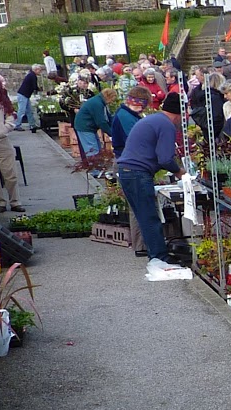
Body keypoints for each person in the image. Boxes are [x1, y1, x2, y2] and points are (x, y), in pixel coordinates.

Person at [115, 91, 187, 278]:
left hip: (128, 171)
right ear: (178, 114)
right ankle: (159, 256)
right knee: (149, 217)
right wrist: (180, 172)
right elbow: (164, 158)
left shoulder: (154, 119)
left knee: (144, 216)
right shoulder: (167, 125)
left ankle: (156, 254)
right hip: (137, 173)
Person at [74, 87, 117, 167]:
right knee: (92, 149)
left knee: (97, 149)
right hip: (85, 127)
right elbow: (101, 121)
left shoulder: (101, 102)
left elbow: (108, 117)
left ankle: (98, 168)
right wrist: (111, 133)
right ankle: (95, 170)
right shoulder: (97, 103)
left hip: (89, 127)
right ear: (108, 97)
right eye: (112, 99)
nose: (111, 102)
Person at [111, 87, 148, 158]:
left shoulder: (130, 114)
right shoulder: (125, 116)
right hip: (126, 158)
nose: (143, 110)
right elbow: (133, 141)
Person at [12, 64, 42, 130]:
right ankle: (17, 125)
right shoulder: (33, 76)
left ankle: (32, 125)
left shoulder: (31, 75)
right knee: (21, 110)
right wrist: (40, 89)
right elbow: (34, 86)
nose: (40, 71)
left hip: (25, 94)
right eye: (39, 70)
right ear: (36, 70)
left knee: (29, 110)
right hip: (24, 94)